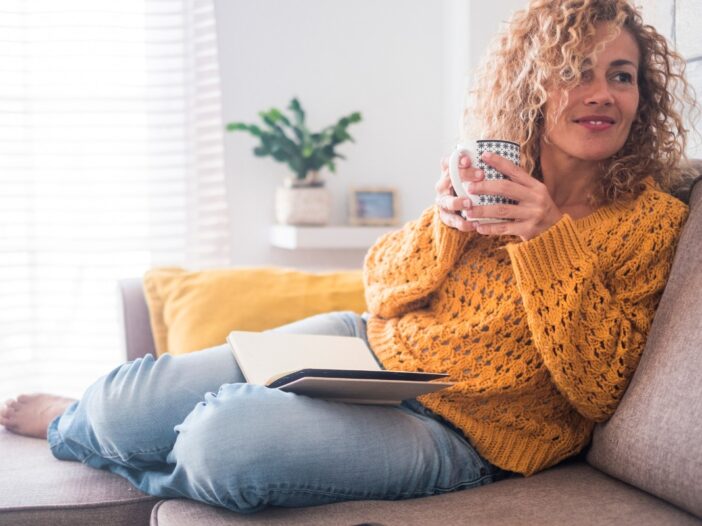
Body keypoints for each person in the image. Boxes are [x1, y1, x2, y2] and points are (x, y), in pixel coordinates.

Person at [1, 0, 697, 514]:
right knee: (127, 402)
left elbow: (601, 387)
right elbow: (383, 290)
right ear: (532, 87)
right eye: (577, 71)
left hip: (467, 434)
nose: (603, 93)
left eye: (623, 75)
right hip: (365, 348)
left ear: (644, 94)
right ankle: (79, 422)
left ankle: (182, 436)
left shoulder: (652, 220)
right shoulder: (490, 175)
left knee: (223, 444)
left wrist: (547, 242)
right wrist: (444, 224)